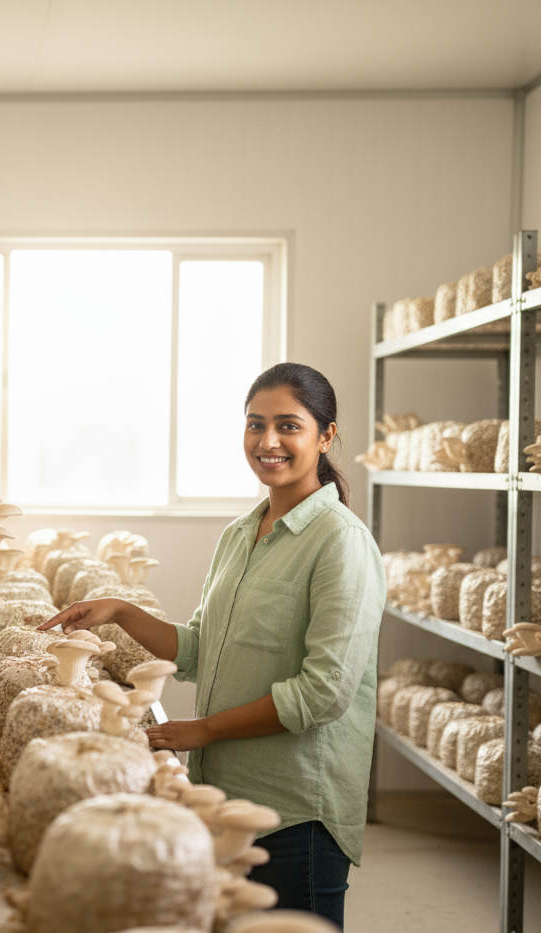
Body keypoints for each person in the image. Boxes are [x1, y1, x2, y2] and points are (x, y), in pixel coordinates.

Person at [41, 362, 385, 929]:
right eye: (255, 425)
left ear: (325, 436)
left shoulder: (340, 543)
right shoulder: (241, 534)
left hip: (295, 810)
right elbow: (199, 647)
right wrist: (120, 612)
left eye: (288, 426)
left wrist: (203, 730)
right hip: (220, 789)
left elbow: (323, 694)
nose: (268, 442)